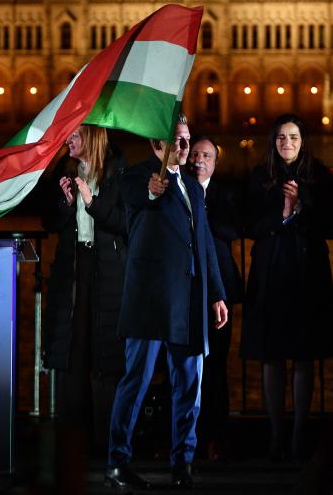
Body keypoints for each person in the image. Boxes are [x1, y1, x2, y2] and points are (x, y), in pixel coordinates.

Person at [105, 114, 227, 491]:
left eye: (187, 141)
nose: (184, 148)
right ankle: (117, 461)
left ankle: (183, 463)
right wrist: (152, 190)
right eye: (178, 141)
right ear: (157, 144)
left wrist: (217, 294)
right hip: (149, 302)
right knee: (135, 383)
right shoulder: (136, 177)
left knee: (189, 386)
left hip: (188, 301)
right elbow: (136, 197)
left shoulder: (193, 184)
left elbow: (204, 243)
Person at [240, 113, 333, 462]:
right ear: (273, 142)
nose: (287, 144)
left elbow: (328, 220)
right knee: (272, 355)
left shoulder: (319, 176)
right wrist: (283, 213)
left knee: (305, 356)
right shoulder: (261, 176)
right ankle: (277, 436)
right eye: (281, 137)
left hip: (307, 273)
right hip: (273, 272)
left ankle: (297, 436)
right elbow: (250, 222)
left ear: (302, 141)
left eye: (293, 137)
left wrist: (303, 203)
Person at [43, 125, 127, 454]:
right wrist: (66, 205)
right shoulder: (65, 172)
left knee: (106, 353)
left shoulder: (118, 173)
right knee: (73, 351)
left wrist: (91, 203)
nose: (68, 140)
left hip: (107, 269)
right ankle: (73, 439)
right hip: (74, 266)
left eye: (74, 135)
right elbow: (50, 223)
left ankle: (106, 439)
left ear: (92, 137)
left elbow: (123, 222)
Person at [188, 135, 243, 461]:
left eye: (206, 155)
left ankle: (215, 437)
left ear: (215, 163)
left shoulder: (225, 194)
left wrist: (200, 211)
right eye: (195, 153)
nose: (199, 159)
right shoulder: (176, 189)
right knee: (181, 366)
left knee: (217, 367)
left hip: (219, 287)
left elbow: (233, 229)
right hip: (186, 287)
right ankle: (183, 436)